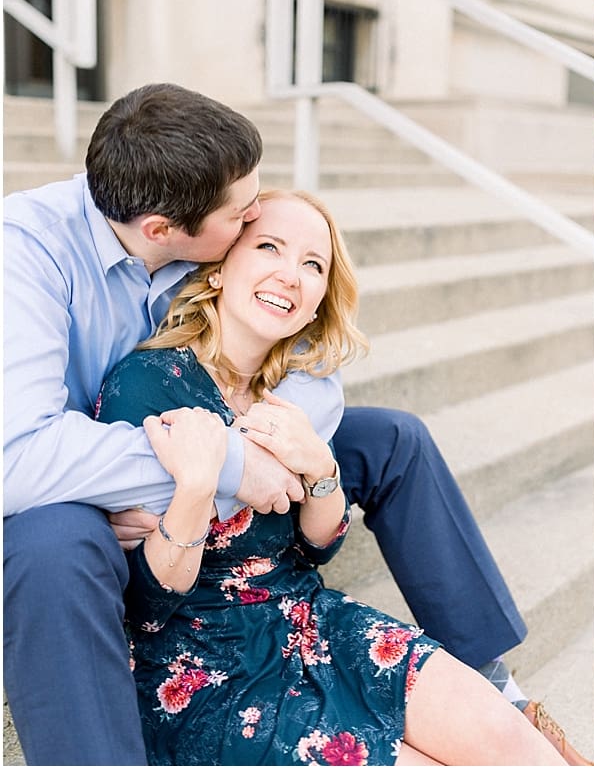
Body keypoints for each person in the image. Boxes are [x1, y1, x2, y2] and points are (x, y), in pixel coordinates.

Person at [3, 83, 589, 765]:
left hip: (232, 456)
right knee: (53, 547)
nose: (254, 213)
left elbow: (305, 361)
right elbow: (20, 452)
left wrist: (297, 458)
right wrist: (220, 471)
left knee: (394, 438)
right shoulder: (32, 252)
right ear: (174, 236)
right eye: (244, 219)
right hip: (66, 468)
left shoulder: (185, 218)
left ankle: (492, 681)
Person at [93, 189, 565, 764]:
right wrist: (195, 489)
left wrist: (321, 467)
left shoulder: (297, 391)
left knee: (522, 752)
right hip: (202, 666)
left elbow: (317, 547)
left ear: (317, 302)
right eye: (269, 247)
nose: (290, 274)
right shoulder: (147, 383)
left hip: (308, 620)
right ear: (216, 270)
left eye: (312, 264)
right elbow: (143, 605)